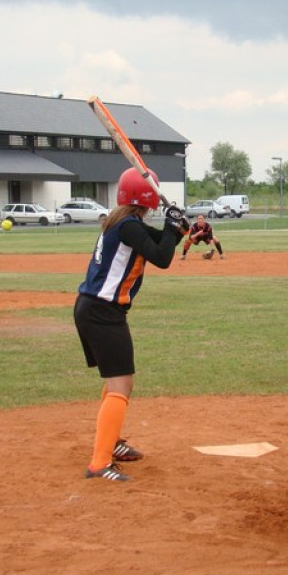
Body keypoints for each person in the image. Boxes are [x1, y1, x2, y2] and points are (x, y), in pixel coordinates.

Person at [74, 167, 190, 482]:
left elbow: (161, 242)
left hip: (95, 309)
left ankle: (111, 443)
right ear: (146, 197)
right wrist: (171, 226)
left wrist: (177, 229)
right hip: (102, 312)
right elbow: (162, 257)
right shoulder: (127, 226)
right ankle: (99, 463)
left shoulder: (124, 223)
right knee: (121, 384)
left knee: (118, 381)